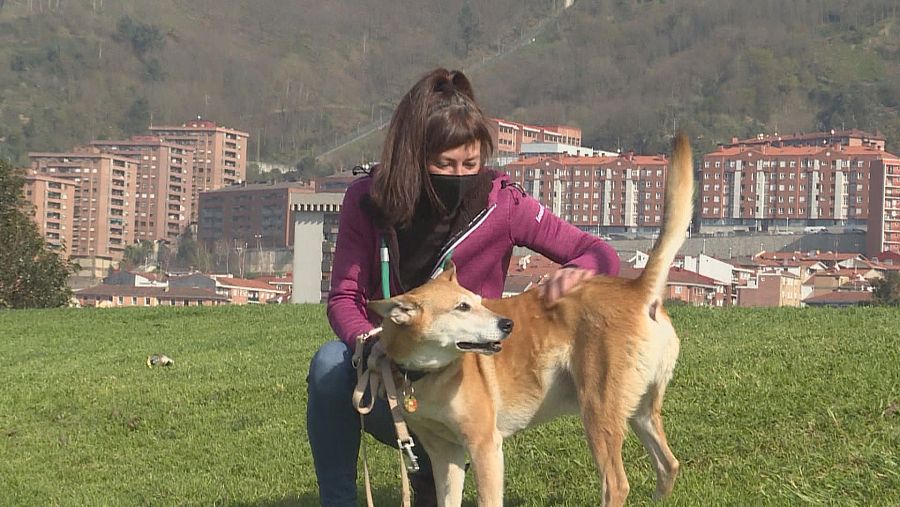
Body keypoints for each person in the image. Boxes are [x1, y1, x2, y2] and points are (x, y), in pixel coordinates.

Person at [306, 68, 620, 506]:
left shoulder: (503, 203)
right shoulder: (367, 200)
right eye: (444, 165)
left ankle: (432, 478)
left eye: (470, 165)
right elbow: (344, 297)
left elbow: (598, 251)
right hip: (391, 372)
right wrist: (370, 341)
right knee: (328, 366)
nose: (460, 176)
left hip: (464, 384)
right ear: (413, 158)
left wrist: (581, 269)